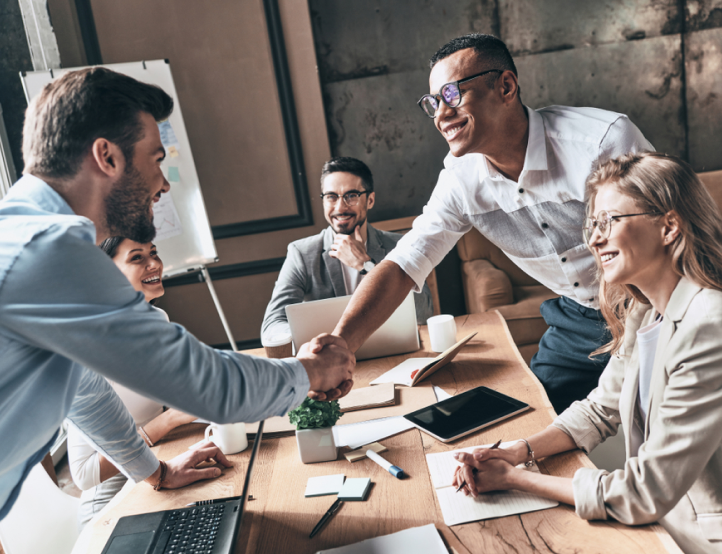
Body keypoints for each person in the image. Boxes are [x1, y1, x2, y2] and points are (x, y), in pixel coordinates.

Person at [0, 67, 354, 519]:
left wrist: (156, 473)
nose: (164, 183)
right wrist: (312, 371)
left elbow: (85, 389)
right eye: (155, 158)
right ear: (106, 157)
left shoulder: (22, 236)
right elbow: (208, 386)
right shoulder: (50, 255)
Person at [328, 33, 653, 412]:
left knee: (653, 417)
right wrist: (338, 346)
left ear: (506, 86)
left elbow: (666, 239)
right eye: (433, 103)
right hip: (578, 315)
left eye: (452, 95)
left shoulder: (601, 142)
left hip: (648, 301)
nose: (440, 114)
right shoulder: (460, 180)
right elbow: (404, 263)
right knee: (535, 418)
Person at [452, 152, 722, 554]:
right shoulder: (645, 312)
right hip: (655, 524)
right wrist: (516, 451)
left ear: (669, 226)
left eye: (609, 221)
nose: (593, 239)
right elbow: (599, 409)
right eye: (592, 224)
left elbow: (643, 494)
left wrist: (514, 478)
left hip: (695, 538)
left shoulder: (708, 324)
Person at [68, 238, 198, 526]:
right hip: (112, 502)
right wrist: (168, 421)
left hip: (160, 469)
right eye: (137, 258)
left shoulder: (158, 319)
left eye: (154, 253)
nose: (155, 264)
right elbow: (85, 474)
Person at [261, 157, 433, 343]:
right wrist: (315, 342)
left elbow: (423, 313)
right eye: (331, 196)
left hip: (392, 351)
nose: (340, 207)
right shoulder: (301, 254)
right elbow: (272, 324)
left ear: (370, 200)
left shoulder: (400, 246)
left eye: (351, 196)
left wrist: (366, 266)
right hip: (327, 359)